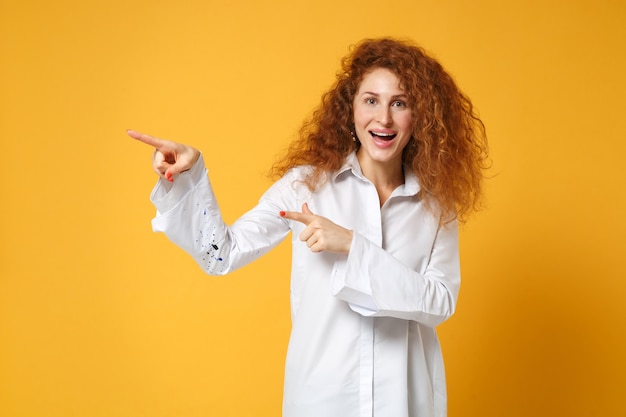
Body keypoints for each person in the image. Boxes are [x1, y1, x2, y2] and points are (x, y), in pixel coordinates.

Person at [128, 37, 488, 417]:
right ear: (349, 108)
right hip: (322, 400)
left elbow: (439, 302)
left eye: (399, 103)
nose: (383, 118)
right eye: (371, 100)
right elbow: (222, 254)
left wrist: (352, 245)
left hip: (405, 402)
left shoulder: (435, 205)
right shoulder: (305, 186)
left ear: (421, 116)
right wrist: (190, 176)